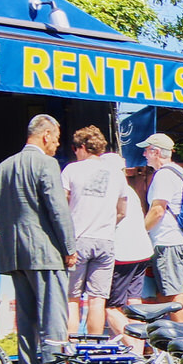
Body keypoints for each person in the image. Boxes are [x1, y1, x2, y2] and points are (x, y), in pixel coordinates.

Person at [0, 114, 76, 364]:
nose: (57, 145)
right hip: (46, 252)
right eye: (57, 139)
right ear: (46, 135)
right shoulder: (47, 164)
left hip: (15, 253)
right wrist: (69, 247)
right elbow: (58, 209)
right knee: (52, 316)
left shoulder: (3, 167)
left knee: (25, 317)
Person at [62, 125, 128, 338]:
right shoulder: (117, 175)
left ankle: (70, 353)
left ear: (82, 147)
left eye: (75, 148)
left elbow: (62, 205)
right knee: (97, 299)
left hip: (77, 240)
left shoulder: (72, 170)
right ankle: (94, 349)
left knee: (72, 299)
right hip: (105, 240)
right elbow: (122, 211)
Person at [139, 132, 183, 307]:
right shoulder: (179, 172)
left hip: (168, 241)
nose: (144, 154)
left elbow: (157, 210)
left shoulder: (163, 175)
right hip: (180, 239)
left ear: (155, 152)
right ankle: (173, 333)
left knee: (173, 296)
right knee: (165, 294)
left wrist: (139, 233)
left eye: (146, 150)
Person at [106, 171, 155, 349]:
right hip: (141, 251)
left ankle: (133, 350)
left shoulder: (110, 190)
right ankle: (140, 351)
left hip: (122, 253)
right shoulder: (130, 190)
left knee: (111, 308)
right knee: (134, 302)